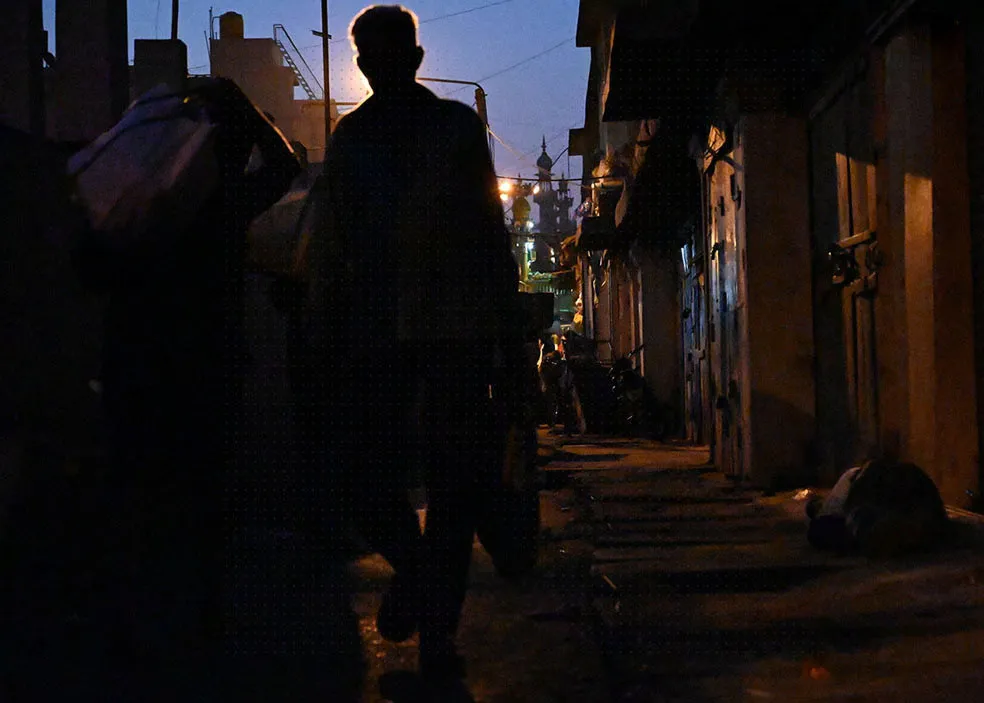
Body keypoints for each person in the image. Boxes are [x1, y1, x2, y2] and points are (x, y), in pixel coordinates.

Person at [68, 78, 343, 697]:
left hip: (133, 375)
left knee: (140, 500)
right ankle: (196, 629)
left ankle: (140, 635)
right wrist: (239, 107)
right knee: (203, 505)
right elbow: (281, 166)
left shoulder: (128, 217)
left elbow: (82, 260)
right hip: (205, 372)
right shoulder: (218, 212)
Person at [301, 4, 524, 696]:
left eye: (376, 54)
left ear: (385, 62)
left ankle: (430, 611)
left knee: (388, 479)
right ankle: (432, 603)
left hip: (396, 337)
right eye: (370, 55)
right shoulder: (440, 129)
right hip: (432, 334)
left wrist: (323, 333)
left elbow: (334, 249)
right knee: (439, 487)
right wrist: (509, 342)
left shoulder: (367, 138)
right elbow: (491, 239)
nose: (374, 65)